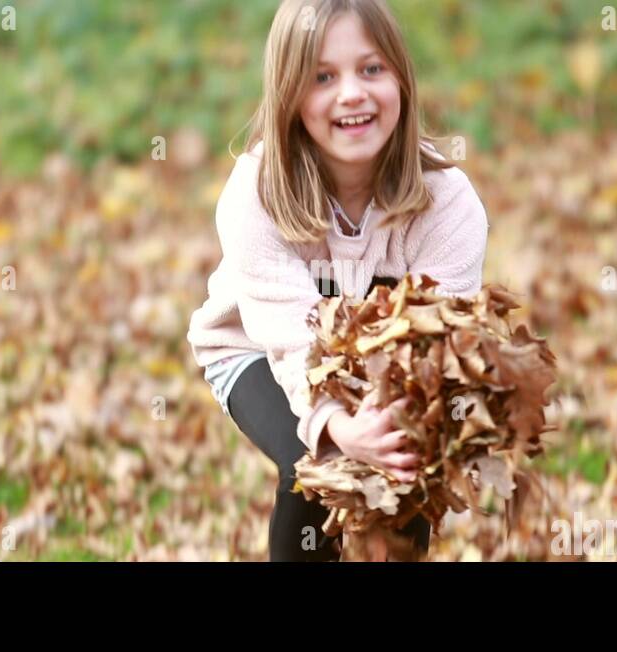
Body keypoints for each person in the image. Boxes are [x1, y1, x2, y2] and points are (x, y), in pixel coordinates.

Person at [187, 0, 488, 561]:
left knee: (402, 466)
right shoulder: (257, 192)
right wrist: (333, 422)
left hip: (382, 364)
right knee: (312, 470)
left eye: (371, 69)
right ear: (290, 95)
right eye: (323, 77)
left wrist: (401, 417)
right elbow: (287, 331)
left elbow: (441, 338)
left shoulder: (448, 204)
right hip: (258, 348)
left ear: (401, 77)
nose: (352, 92)